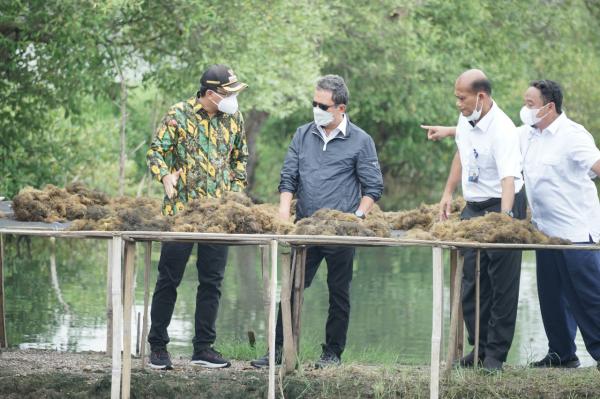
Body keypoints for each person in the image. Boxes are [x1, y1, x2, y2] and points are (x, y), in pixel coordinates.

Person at [250, 74, 384, 369]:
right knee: (290, 290)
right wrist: (284, 215)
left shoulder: (361, 141)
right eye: (314, 103)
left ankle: (332, 354)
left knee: (339, 294)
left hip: (340, 234)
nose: (316, 109)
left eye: (322, 105)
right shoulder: (303, 134)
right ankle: (279, 351)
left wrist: (355, 219)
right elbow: (288, 178)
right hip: (305, 229)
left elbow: (373, 187)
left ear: (341, 108)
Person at [145, 64, 248, 369]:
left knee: (212, 281)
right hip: (182, 213)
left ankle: (203, 348)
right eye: (228, 93)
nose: (233, 98)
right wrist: (164, 176)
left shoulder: (234, 118)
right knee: (169, 278)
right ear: (210, 94)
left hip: (219, 215)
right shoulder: (179, 114)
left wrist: (235, 191)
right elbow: (155, 152)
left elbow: (240, 158)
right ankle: (158, 347)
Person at [435, 69, 526, 372]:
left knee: (501, 283)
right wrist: (448, 192)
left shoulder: (503, 129)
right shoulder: (466, 117)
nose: (457, 103)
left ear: (481, 97)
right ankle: (478, 348)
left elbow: (509, 179)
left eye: (461, 97)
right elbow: (462, 152)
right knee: (471, 280)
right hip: (474, 206)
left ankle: (495, 357)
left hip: (503, 203)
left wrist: (505, 220)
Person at [518, 80, 600, 369]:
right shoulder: (528, 135)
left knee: (589, 299)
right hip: (546, 233)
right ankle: (562, 354)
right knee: (551, 297)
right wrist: (453, 131)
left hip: (576, 234)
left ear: (548, 107)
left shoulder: (573, 135)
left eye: (529, 104)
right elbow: (498, 140)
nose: (524, 110)